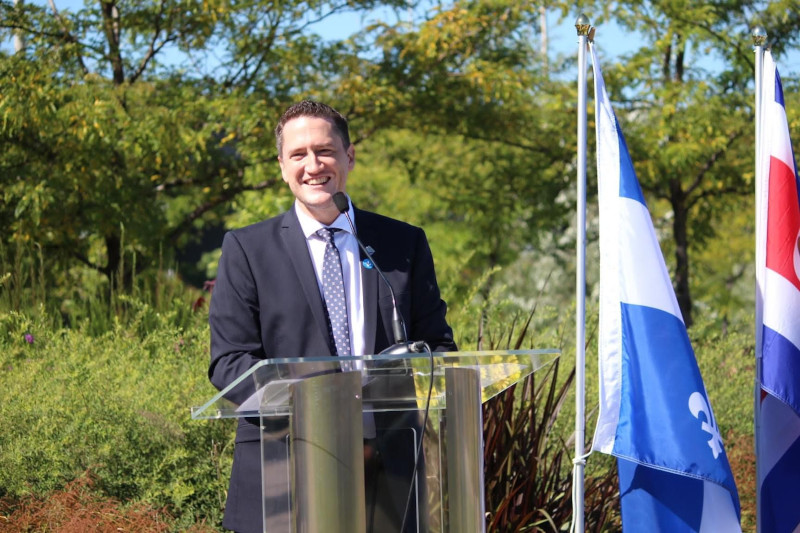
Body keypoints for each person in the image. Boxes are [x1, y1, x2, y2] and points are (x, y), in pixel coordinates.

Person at [208, 100, 457, 533]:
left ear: (349, 157)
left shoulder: (403, 244)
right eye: (298, 155)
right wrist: (322, 403)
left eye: (324, 151)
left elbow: (437, 346)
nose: (313, 165)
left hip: (389, 474)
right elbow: (229, 364)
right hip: (284, 468)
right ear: (282, 165)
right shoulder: (248, 249)